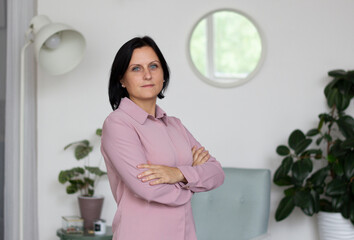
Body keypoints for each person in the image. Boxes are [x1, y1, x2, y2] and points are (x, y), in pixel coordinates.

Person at [101, 36, 225, 240]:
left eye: (153, 66)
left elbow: (217, 173)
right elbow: (148, 189)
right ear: (121, 79)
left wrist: (178, 174)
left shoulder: (175, 125)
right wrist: (193, 181)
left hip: (184, 234)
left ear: (164, 75)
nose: (147, 75)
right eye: (136, 68)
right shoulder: (118, 124)